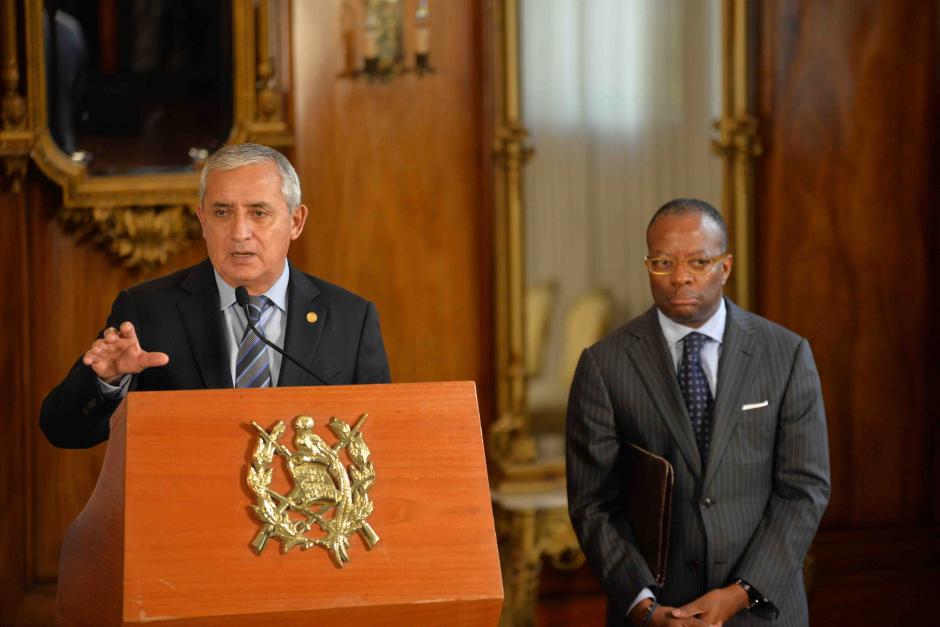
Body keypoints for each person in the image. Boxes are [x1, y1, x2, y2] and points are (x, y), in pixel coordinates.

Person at [566, 199, 830, 627]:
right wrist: (644, 607)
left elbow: (805, 490)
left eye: (699, 261)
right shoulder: (604, 365)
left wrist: (739, 594)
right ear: (647, 264)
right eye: (663, 262)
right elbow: (593, 505)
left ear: (725, 267)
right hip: (654, 613)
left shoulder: (786, 354)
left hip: (761, 611)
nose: (680, 277)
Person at [41, 143, 390, 449]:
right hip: (187, 515)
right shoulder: (147, 311)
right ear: (202, 221)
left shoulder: (350, 320)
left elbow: (379, 441)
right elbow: (63, 431)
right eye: (222, 213)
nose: (239, 232)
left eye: (258, 212)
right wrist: (107, 381)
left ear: (296, 221)